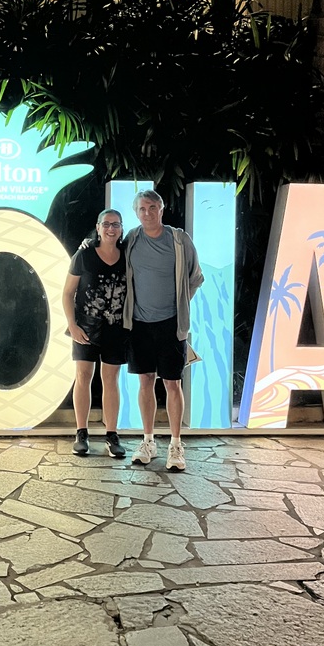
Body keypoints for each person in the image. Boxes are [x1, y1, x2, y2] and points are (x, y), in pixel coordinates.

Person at [123, 190, 203, 471]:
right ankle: (148, 441)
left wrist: (180, 305)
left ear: (162, 209)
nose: (148, 213)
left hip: (171, 324)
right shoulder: (131, 239)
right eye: (142, 208)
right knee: (145, 381)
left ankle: (176, 445)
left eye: (152, 207)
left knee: (172, 383)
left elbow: (196, 277)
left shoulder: (179, 240)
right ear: (136, 212)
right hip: (139, 325)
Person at [62, 209, 129, 459]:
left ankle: (112, 435)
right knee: (83, 376)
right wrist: (73, 325)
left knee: (111, 379)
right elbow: (68, 293)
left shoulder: (128, 256)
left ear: (121, 228)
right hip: (85, 328)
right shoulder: (83, 255)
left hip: (116, 329)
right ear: (98, 227)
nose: (111, 229)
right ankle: (81, 433)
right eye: (106, 224)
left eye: (116, 224)